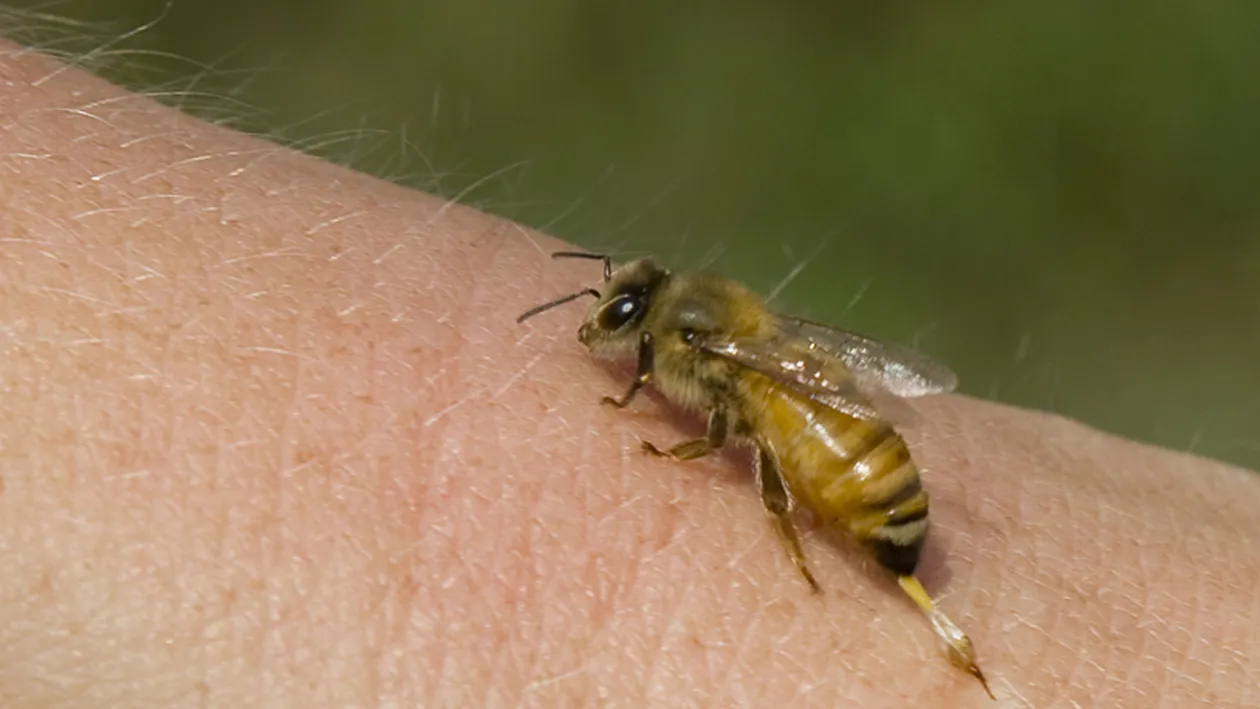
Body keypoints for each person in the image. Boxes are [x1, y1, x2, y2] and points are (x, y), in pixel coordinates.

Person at [1, 38, 1256, 707]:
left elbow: (734, 425)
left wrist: (675, 445)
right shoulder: (728, 321)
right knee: (782, 426)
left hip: (849, 470)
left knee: (773, 449)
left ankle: (860, 567)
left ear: (654, 330)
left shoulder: (701, 349)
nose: (613, 339)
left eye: (619, 324)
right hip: (851, 422)